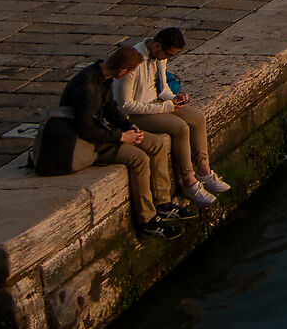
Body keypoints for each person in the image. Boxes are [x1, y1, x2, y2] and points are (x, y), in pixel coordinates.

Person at [31, 44, 182, 237]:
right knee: (139, 159)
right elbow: (85, 129)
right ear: (123, 71)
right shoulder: (88, 87)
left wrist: (129, 128)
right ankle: (148, 220)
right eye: (131, 72)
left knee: (157, 144)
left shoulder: (104, 75)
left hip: (103, 130)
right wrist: (121, 137)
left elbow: (110, 107)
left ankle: (163, 203)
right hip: (85, 142)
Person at [119, 27, 227, 207]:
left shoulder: (159, 57)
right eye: (168, 55)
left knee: (197, 118)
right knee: (180, 127)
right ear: (157, 46)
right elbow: (125, 105)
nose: (168, 59)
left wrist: (174, 98)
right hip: (138, 112)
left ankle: (203, 170)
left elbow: (162, 89)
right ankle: (188, 181)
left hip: (158, 103)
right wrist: (164, 107)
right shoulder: (134, 62)